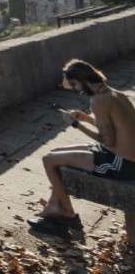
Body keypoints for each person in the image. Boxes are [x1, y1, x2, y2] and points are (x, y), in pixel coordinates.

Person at [29, 59, 135, 233]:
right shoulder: (115, 93)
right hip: (121, 155)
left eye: (74, 84)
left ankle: (67, 213)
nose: (76, 89)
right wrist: (86, 118)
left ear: (83, 80)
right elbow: (114, 130)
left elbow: (108, 140)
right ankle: (55, 206)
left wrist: (76, 125)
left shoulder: (98, 101)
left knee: (49, 160)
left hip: (122, 164)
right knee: (56, 153)